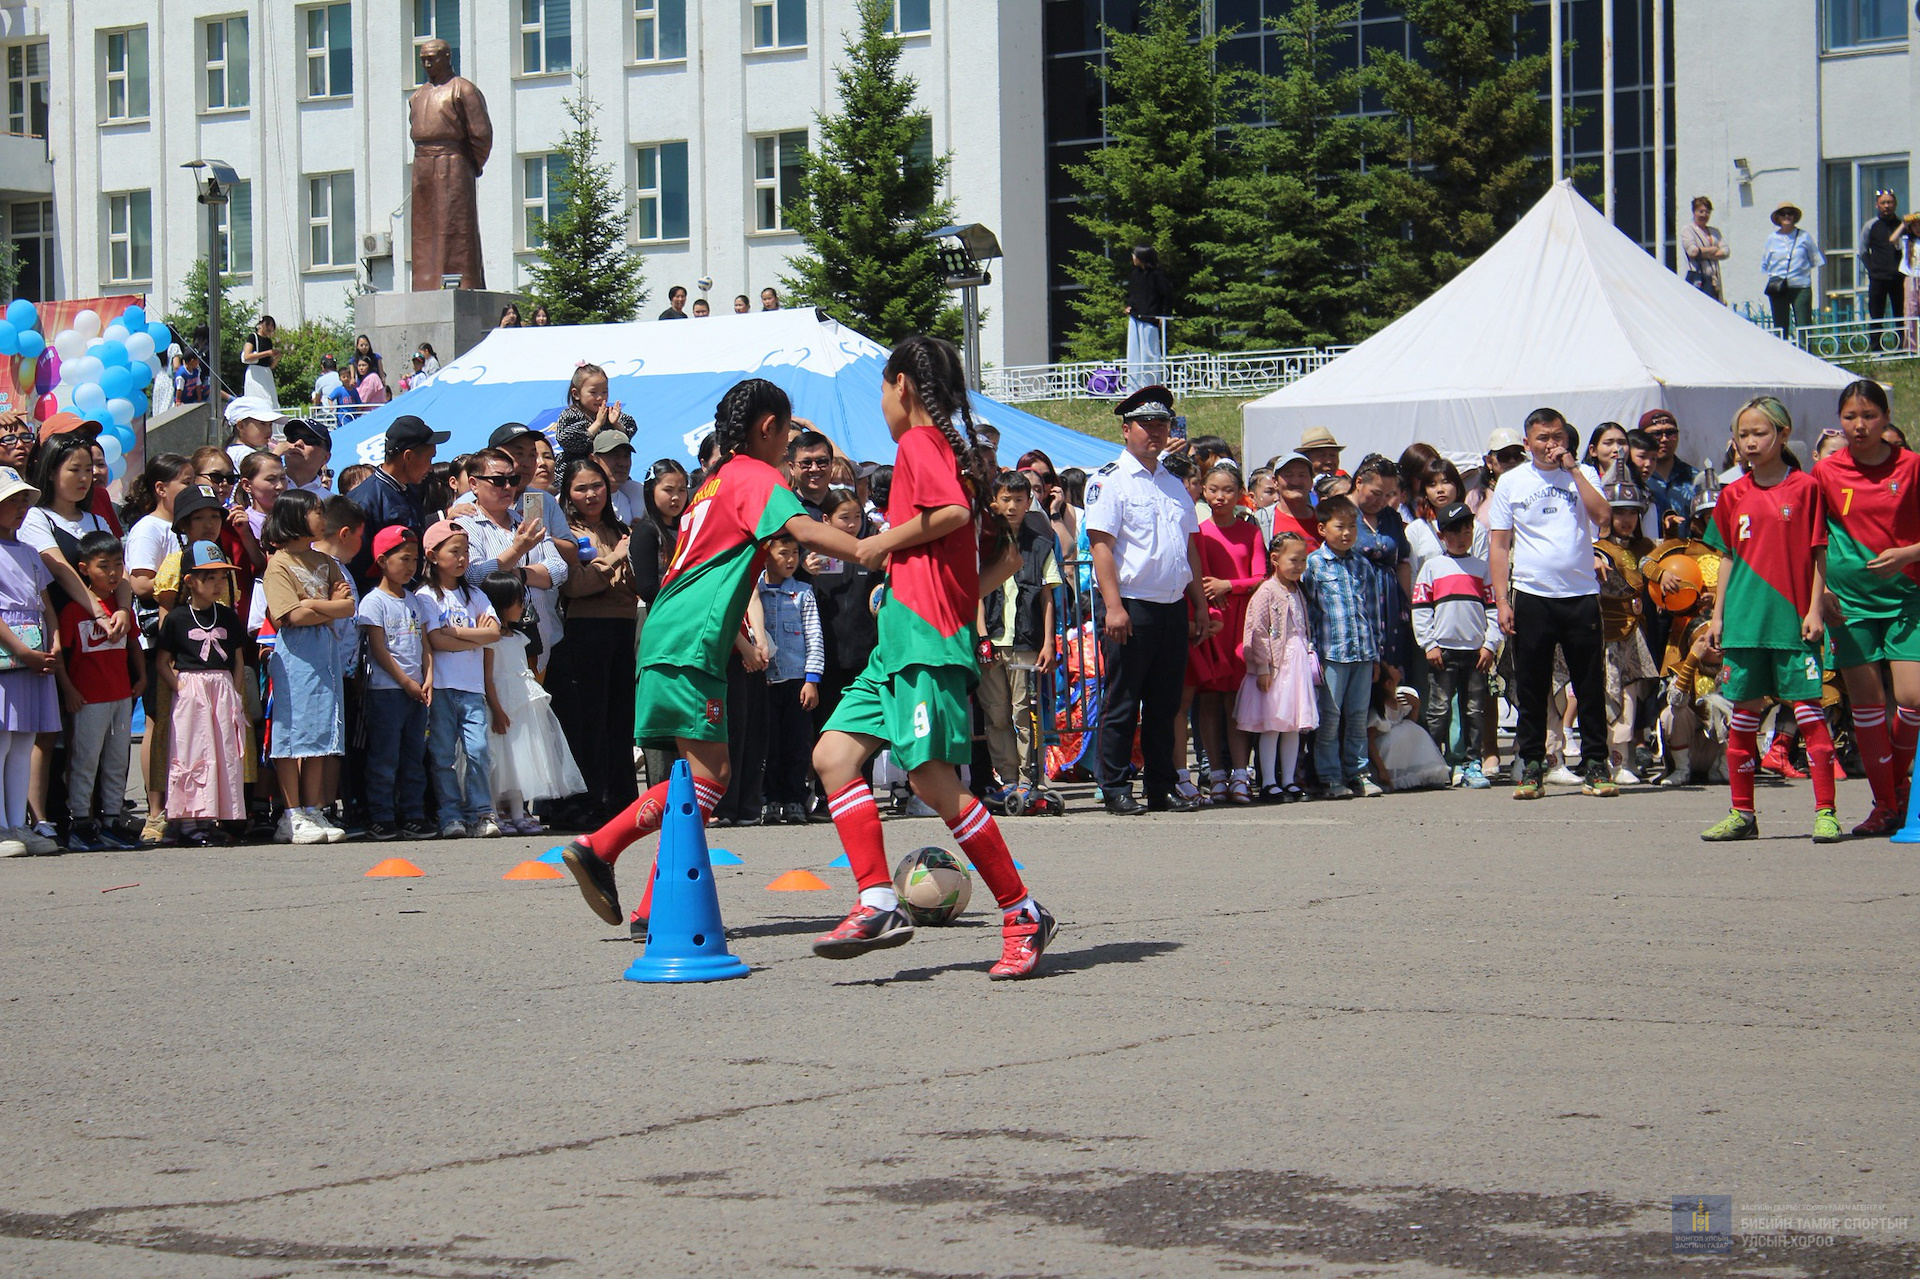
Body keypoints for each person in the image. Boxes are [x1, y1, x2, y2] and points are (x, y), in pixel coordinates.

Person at [556, 378, 866, 935]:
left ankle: (652, 905)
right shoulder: (756, 476)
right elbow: (802, 531)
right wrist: (877, 550)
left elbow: (719, 567)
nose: (790, 446)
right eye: (788, 432)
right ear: (768, 428)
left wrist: (741, 640)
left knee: (692, 778)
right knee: (709, 779)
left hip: (676, 633)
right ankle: (599, 847)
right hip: (690, 639)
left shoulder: (714, 482)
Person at [807, 335, 1054, 979]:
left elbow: (947, 513)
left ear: (902, 385)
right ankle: (877, 902)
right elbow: (998, 559)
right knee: (833, 756)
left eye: (882, 391)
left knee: (931, 780)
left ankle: (1022, 911)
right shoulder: (944, 449)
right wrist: (911, 580)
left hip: (924, 644)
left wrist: (879, 545)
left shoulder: (919, 442)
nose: (881, 405)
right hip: (900, 643)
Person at [1700, 397, 1837, 843]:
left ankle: (1826, 811)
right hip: (1744, 625)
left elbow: (1819, 554)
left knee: (1810, 715)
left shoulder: (1806, 488)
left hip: (1792, 623)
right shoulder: (1732, 494)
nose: (1751, 442)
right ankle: (1742, 813)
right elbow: (1726, 557)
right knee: (1743, 718)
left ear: (1783, 434)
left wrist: (1815, 609)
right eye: (1743, 435)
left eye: (1760, 433)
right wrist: (1718, 616)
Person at [1085, 385, 1212, 815]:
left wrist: (1199, 605)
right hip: (1132, 603)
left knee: (1165, 703)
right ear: (1126, 430)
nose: (1155, 432)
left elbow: (1188, 549)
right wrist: (1114, 606)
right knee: (1123, 700)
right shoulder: (1109, 480)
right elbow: (1101, 547)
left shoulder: (1174, 484)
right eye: (1146, 424)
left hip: (1172, 604)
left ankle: (1161, 786)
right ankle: (1115, 786)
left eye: (1162, 424)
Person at [1809, 379, 1920, 835]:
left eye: (1869, 416)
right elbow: (1812, 541)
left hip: (1907, 598)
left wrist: (1907, 554)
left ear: (1887, 417)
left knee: (1912, 700)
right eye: (1850, 417)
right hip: (1848, 604)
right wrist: (1819, 598)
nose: (1859, 425)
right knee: (1868, 705)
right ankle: (1886, 805)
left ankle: (1896, 785)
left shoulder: (1912, 466)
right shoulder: (1825, 472)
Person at [1488, 408, 1615, 799]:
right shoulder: (1512, 482)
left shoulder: (1583, 474)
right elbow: (1499, 545)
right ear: (1528, 443)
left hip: (1580, 593)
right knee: (1532, 686)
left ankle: (1596, 763)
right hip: (1532, 594)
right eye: (1543, 438)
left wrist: (1573, 469)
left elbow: (1603, 518)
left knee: (1589, 684)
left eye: (1557, 436)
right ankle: (1531, 765)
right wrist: (1501, 600)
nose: (1551, 445)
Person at [550, 456, 639, 826]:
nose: (591, 494)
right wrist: (616, 558)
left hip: (624, 626)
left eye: (597, 485)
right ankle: (592, 799)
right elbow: (575, 585)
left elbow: (637, 583)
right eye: (581, 488)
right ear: (568, 493)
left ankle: (623, 799)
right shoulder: (566, 533)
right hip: (585, 629)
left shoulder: (622, 528)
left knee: (621, 716)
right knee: (591, 718)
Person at [260, 490, 353, 845]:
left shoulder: (326, 562)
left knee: (320, 730)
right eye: (316, 512)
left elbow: (347, 606)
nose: (322, 518)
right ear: (295, 517)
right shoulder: (279, 564)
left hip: (325, 653)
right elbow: (290, 615)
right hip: (296, 655)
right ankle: (291, 813)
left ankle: (313, 808)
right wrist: (326, 605)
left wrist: (313, 604)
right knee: (291, 731)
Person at [975, 471, 1060, 806]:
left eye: (1019, 500)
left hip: (1025, 641)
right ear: (994, 502)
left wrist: (1048, 642)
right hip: (991, 641)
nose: (1012, 506)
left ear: (1029, 503)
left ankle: (1030, 778)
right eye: (1005, 499)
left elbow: (1047, 597)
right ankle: (1008, 778)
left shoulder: (1041, 544)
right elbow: (975, 594)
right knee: (995, 714)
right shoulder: (985, 544)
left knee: (1024, 712)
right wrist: (982, 636)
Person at [54, 531, 142, 851]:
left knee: (118, 760)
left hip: (121, 695)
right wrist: (68, 689)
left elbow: (133, 644)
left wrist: (142, 677)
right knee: (85, 760)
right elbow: (61, 655)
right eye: (104, 566)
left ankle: (111, 821)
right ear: (84, 569)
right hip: (88, 699)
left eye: (118, 564)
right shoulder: (74, 610)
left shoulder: (122, 607)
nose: (113, 573)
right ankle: (80, 822)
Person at [478, 570, 583, 835]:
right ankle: (493, 810)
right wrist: (496, 709)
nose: (522, 607)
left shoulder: (518, 638)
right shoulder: (491, 641)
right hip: (502, 703)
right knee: (498, 759)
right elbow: (488, 678)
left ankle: (517, 812)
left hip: (522, 704)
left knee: (520, 757)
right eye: (517, 602)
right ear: (501, 603)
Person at [417, 519, 504, 839]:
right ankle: (450, 814)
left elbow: (494, 633)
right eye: (455, 551)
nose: (462, 558)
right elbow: (436, 641)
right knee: (443, 754)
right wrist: (474, 636)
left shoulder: (476, 595)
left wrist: (455, 632)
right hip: (441, 686)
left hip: (472, 687)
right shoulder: (426, 596)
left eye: (466, 551)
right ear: (432, 555)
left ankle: (481, 811)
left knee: (478, 750)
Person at [157, 540, 248, 845]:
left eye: (222, 577)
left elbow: (237, 658)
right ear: (190, 581)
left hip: (221, 688)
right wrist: (180, 687)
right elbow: (162, 661)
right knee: (191, 750)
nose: (219, 584)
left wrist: (235, 693)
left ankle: (209, 818)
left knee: (221, 751)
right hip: (192, 689)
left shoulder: (227, 616)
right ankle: (186, 820)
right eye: (210, 578)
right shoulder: (177, 618)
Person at [454, 445, 568, 679]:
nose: (508, 487)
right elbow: (475, 576)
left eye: (513, 480)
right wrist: (518, 550)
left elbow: (559, 570)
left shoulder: (526, 521)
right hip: (492, 650)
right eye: (498, 481)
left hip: (539, 641)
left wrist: (517, 574)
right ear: (474, 484)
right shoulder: (465, 525)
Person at [1187, 462, 1263, 804]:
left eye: (1228, 490)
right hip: (1213, 621)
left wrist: (1228, 585)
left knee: (1237, 701)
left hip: (1242, 623)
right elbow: (1199, 578)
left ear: (1240, 494)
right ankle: (1216, 773)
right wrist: (1212, 595)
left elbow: (1259, 577)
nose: (1220, 497)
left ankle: (1241, 774)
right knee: (1208, 700)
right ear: (1204, 491)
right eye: (1213, 490)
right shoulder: (1199, 532)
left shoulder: (1251, 531)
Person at [355, 527, 435, 842]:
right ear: (382, 560)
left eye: (415, 560)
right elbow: (379, 649)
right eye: (404, 559)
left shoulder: (415, 600)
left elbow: (425, 645)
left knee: (414, 755)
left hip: (417, 691)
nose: (411, 566)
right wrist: (405, 681)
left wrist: (427, 678)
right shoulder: (373, 602)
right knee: (384, 756)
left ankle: (413, 814)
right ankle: (382, 816)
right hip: (387, 691)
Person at [1411, 503, 1499, 789]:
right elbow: (1421, 609)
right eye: (1454, 532)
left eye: (1466, 531)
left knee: (1474, 710)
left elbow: (1494, 609)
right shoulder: (1432, 567)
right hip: (1443, 651)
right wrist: (1429, 644)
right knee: (1438, 710)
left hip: (1475, 652)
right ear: (1442, 535)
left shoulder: (1482, 568)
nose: (1461, 538)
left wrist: (1490, 644)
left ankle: (1472, 763)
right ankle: (1433, 762)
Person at [1302, 496, 1382, 799]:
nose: (1347, 533)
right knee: (1330, 717)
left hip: (1362, 652)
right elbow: (1309, 612)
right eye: (1340, 526)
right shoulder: (1314, 564)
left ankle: (1358, 773)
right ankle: (1330, 777)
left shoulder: (1363, 564)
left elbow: (1373, 611)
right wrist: (1313, 654)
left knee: (1358, 716)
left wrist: (1376, 655)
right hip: (1331, 654)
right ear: (1322, 529)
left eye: (1352, 526)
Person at [0, 466, 59, 857]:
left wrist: (54, 644)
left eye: (24, 501)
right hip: (8, 660)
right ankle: (1, 827)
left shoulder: (31, 553)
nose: (21, 508)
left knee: (23, 742)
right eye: (12, 501)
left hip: (36, 659)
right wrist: (21, 651)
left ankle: (18, 824)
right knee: (2, 741)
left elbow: (46, 605)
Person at [1236, 530, 1318, 802]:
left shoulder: (1297, 590)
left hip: (1296, 665)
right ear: (1275, 559)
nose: (1299, 566)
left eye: (1303, 561)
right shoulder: (1267, 591)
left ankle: (1289, 779)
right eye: (1294, 560)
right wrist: (1262, 667)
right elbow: (1256, 630)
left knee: (1293, 724)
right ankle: (1269, 781)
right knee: (1272, 724)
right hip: (1275, 666)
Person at [408, 37, 493, 291]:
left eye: (431, 58)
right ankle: (426, 284)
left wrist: (467, 166)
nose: (426, 63)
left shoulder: (463, 90)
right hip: (422, 165)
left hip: (453, 163)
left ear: (447, 57)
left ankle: (462, 282)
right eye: (422, 59)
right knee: (424, 230)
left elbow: (481, 135)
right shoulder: (417, 96)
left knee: (455, 228)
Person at [1594, 462, 1659, 784]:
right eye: (1619, 512)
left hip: (1636, 634)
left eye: (1632, 512)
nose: (1626, 519)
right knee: (1610, 695)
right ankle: (1611, 762)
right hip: (1607, 635)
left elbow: (1655, 564)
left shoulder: (1646, 548)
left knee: (1632, 698)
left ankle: (1624, 761)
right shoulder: (1597, 549)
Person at [754, 531, 822, 825]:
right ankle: (770, 799)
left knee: (797, 744)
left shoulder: (803, 593)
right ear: (766, 556)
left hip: (797, 681)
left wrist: (812, 679)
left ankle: (795, 798)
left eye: (795, 553)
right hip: (765, 681)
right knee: (769, 744)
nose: (791, 559)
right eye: (783, 553)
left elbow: (814, 637)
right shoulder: (754, 592)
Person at [346, 415, 448, 585]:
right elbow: (358, 566)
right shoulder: (365, 500)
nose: (431, 467)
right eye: (429, 458)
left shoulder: (410, 489)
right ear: (408, 457)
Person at [626, 457, 688, 607]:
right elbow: (648, 590)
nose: (676, 497)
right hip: (661, 613)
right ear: (651, 490)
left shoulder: (688, 527)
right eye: (668, 490)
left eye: (682, 490)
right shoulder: (645, 532)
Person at [1760, 201, 1823, 338]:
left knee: (1803, 325)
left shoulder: (1804, 237)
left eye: (1790, 213)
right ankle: (1781, 350)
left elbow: (1815, 260)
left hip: (1801, 286)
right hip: (1778, 287)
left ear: (1794, 216)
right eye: (1783, 213)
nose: (1787, 216)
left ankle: (1805, 350)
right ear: (1778, 217)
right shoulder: (1772, 239)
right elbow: (1765, 263)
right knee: (1780, 326)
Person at [554, 363, 634, 463]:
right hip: (577, 466)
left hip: (607, 466)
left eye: (604, 392)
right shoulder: (571, 415)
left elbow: (628, 433)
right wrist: (597, 424)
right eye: (593, 392)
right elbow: (566, 439)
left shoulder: (610, 414)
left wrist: (616, 424)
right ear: (576, 394)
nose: (600, 397)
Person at [1638, 410, 1697, 537]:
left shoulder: (1695, 478)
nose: (1664, 439)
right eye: (1656, 434)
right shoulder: (1635, 479)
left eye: (1670, 433)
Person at [1123, 246, 1172, 392]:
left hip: (1150, 318)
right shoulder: (1135, 274)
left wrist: (1164, 315)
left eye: (1135, 255)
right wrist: (1129, 305)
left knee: (1149, 354)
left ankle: (1151, 386)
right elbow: (1132, 293)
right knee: (1133, 354)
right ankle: (1134, 388)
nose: (1133, 258)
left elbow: (1167, 296)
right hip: (1135, 317)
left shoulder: (1157, 275)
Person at [1859, 189, 1905, 326]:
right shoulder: (1870, 225)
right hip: (1878, 278)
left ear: (1895, 204)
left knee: (1901, 316)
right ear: (1877, 205)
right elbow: (1863, 251)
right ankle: (1875, 340)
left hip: (1899, 278)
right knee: (1876, 316)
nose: (1887, 206)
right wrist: (1873, 270)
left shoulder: (1902, 225)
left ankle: (1902, 340)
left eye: (1890, 202)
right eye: (1883, 203)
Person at [1680, 196, 1728, 302]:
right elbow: (1692, 251)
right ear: (1694, 212)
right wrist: (1713, 249)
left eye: (1707, 212)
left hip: (1715, 280)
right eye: (1701, 211)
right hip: (1699, 279)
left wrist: (1704, 253)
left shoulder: (1714, 232)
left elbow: (1726, 251)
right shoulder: (1688, 230)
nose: (1704, 215)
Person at [224, 395, 285, 471]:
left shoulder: (233, 450)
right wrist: (276, 454)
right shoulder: (244, 453)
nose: (269, 430)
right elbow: (260, 472)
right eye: (262, 423)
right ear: (241, 426)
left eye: (270, 424)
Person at [280, 418, 333, 496]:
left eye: (309, 439)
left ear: (325, 457)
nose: (298, 443)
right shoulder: (266, 492)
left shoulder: (330, 501)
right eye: (293, 437)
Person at [788, 430, 835, 516]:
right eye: (806, 463)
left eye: (822, 461)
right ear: (792, 468)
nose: (814, 469)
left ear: (831, 464)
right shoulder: (783, 508)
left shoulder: (847, 506)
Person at [240, 315, 278, 406]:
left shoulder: (268, 341)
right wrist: (267, 353)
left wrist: (276, 358)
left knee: (271, 400)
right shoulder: (253, 337)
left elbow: (270, 365)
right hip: (255, 373)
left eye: (272, 326)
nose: (270, 328)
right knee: (258, 400)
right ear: (260, 325)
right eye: (267, 325)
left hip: (266, 373)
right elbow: (247, 356)